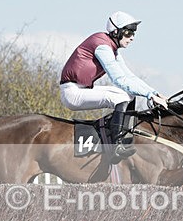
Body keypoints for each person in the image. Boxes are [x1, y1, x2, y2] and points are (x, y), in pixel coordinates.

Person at [59, 11, 168, 160]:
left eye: (134, 34)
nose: (132, 38)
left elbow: (129, 76)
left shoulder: (111, 47)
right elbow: (120, 80)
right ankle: (115, 146)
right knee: (122, 97)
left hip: (81, 89)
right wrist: (149, 95)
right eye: (129, 33)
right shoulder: (103, 47)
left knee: (129, 95)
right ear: (116, 31)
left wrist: (153, 93)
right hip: (72, 93)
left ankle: (126, 138)